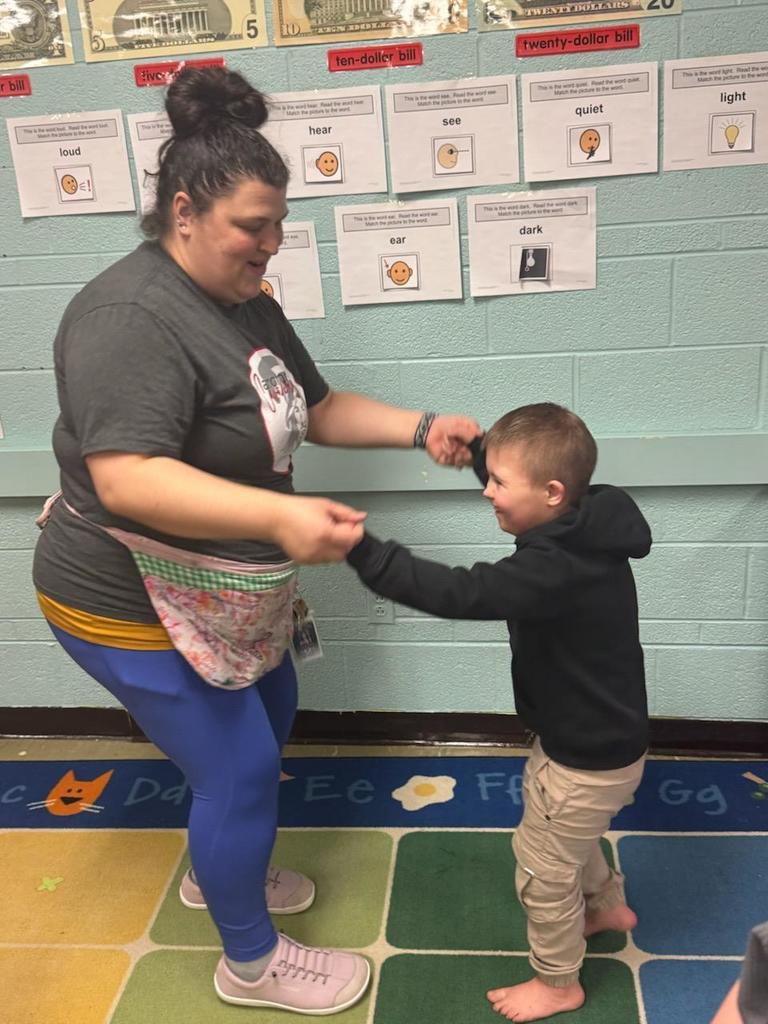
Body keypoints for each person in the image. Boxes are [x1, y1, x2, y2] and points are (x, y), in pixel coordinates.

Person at [32, 65, 480, 1016]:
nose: (272, 246)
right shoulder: (129, 316)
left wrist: (418, 424)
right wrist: (281, 517)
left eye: (278, 225)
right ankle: (249, 961)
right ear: (185, 210)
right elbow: (127, 476)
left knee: (270, 713)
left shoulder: (243, 300)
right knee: (235, 766)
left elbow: (312, 408)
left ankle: (218, 871)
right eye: (254, 226)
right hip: (120, 596)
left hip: (220, 587)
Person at [346, 402, 652, 1022]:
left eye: (497, 483)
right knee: (570, 839)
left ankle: (559, 981)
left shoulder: (551, 568)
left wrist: (364, 553)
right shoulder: (590, 518)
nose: (487, 491)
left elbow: (464, 591)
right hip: (603, 743)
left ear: (552, 492)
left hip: (582, 759)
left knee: (540, 867)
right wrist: (481, 448)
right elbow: (530, 472)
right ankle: (604, 907)